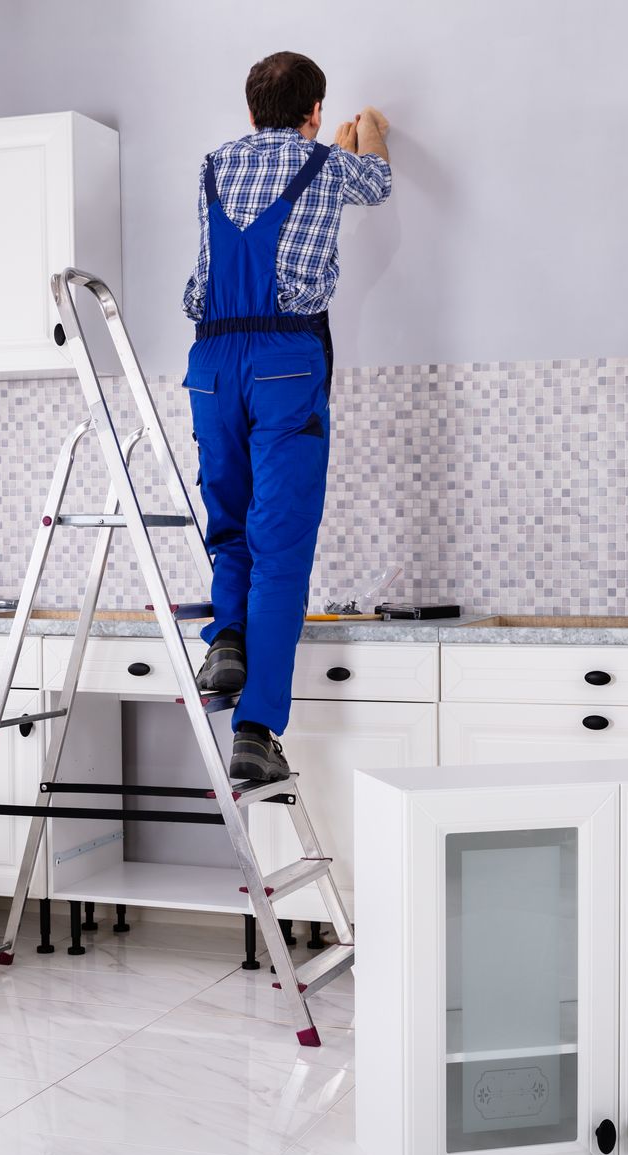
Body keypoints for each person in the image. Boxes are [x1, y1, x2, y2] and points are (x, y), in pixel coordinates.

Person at [181, 50, 391, 782]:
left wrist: (315, 143)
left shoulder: (212, 165)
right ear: (313, 113)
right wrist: (371, 131)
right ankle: (257, 729)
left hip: (209, 364)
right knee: (281, 549)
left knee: (230, 523)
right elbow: (378, 180)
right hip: (281, 363)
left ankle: (227, 639)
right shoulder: (327, 165)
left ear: (248, 112)